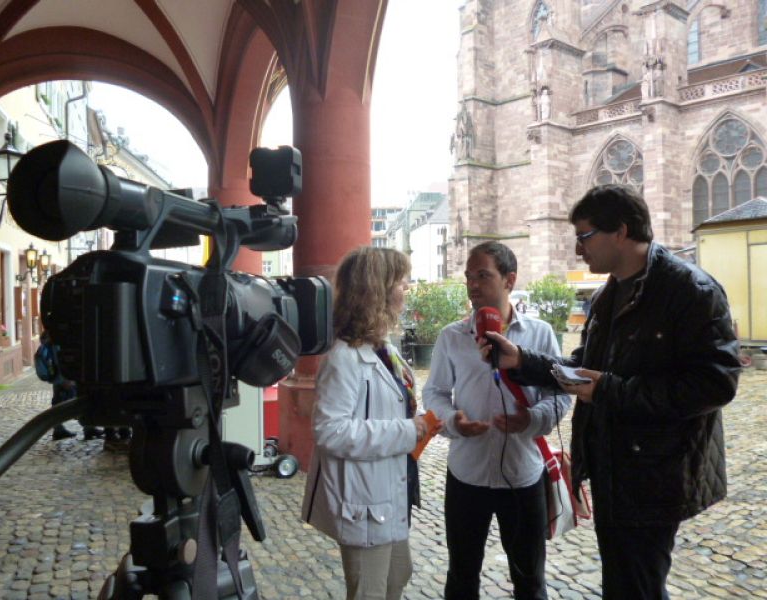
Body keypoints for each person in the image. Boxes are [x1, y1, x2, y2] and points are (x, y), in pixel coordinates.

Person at [486, 185, 741, 600]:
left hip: (655, 473)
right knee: (622, 584)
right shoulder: (609, 294)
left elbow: (715, 383)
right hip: (611, 469)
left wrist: (611, 390)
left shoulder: (691, 289)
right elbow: (584, 368)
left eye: (584, 237)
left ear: (620, 231)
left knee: (637, 586)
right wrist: (523, 361)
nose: (577, 250)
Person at [423, 241, 570, 600]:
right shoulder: (451, 336)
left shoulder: (540, 334)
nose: (473, 285)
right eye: (469, 277)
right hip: (467, 474)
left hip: (523, 475)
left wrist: (532, 420)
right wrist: (452, 421)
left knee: (530, 580)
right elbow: (434, 393)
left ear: (509, 279)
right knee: (461, 575)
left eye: (483, 276)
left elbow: (562, 393)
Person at [301, 246, 442, 600]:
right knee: (370, 591)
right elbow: (330, 432)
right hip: (366, 501)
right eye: (401, 283)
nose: (406, 290)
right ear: (375, 290)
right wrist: (408, 431)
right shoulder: (344, 359)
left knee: (397, 576)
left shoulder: (383, 348)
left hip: (389, 492)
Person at [39, 329, 103, 441]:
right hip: (64, 378)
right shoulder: (58, 336)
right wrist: (65, 379)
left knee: (60, 403)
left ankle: (83, 428)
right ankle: (87, 428)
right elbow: (59, 358)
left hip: (60, 378)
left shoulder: (53, 333)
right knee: (75, 403)